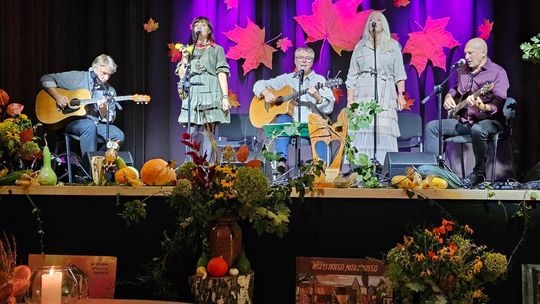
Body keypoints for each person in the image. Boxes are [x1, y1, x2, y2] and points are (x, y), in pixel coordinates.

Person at [425, 38, 510, 187]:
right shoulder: (462, 71)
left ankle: (479, 174)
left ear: (483, 53)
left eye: (470, 53)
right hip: (464, 121)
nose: (467, 57)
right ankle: (434, 172)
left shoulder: (498, 72)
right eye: (465, 53)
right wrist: (448, 97)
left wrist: (482, 106)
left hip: (490, 121)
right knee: (432, 127)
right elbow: (455, 89)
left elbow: (498, 103)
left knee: (478, 129)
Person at [252, 47, 335, 172]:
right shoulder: (286, 79)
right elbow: (258, 84)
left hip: (311, 124)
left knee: (320, 127)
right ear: (295, 61)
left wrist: (318, 97)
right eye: (300, 58)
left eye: (308, 58)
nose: (304, 61)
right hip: (291, 122)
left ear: (312, 62)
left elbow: (329, 107)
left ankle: (321, 166)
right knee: (282, 120)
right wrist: (265, 92)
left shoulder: (319, 80)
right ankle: (281, 161)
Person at [346, 11, 407, 164]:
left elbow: (400, 73)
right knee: (362, 129)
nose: (374, 21)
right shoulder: (360, 47)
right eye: (371, 19)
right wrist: (350, 99)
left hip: (385, 92)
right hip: (362, 92)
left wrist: (401, 94)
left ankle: (383, 168)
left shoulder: (392, 46)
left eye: (378, 20)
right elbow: (352, 75)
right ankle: (360, 169)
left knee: (383, 130)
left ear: (383, 24)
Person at [40, 54, 125, 158]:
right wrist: (58, 97)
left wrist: (102, 108)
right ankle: (90, 168)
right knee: (89, 126)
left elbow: (109, 120)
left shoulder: (109, 91)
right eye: (104, 73)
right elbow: (46, 78)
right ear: (94, 67)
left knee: (118, 135)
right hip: (71, 122)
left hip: (95, 124)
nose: (106, 78)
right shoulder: (78, 78)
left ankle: (100, 164)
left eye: (109, 75)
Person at [176, 16, 230, 161]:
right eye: (196, 25)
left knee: (209, 132)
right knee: (191, 131)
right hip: (193, 93)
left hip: (211, 92)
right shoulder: (189, 50)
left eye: (203, 25)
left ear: (209, 29)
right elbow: (181, 76)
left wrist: (225, 97)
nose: (199, 27)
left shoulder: (217, 49)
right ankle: (191, 165)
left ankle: (206, 167)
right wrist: (184, 59)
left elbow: (222, 72)